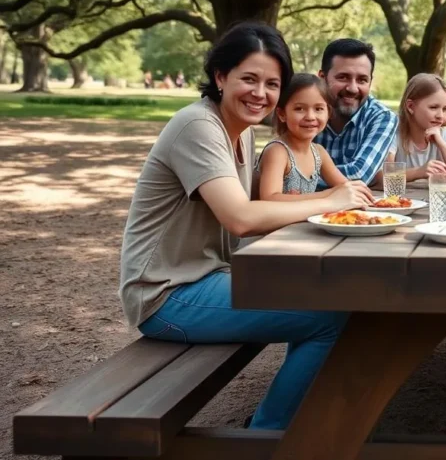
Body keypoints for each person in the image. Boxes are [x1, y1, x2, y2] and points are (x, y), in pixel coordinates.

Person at [119, 22, 374, 431]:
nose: (260, 93)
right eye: (249, 79)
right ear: (221, 77)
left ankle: (286, 419)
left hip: (208, 280)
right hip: (167, 295)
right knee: (330, 316)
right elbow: (241, 217)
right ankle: (267, 435)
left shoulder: (239, 132)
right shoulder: (198, 127)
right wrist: (329, 199)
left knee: (332, 292)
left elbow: (260, 211)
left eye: (272, 83)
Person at [253, 73, 349, 200]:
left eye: (318, 109)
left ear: (328, 113)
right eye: (299, 109)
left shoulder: (319, 153)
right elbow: (270, 198)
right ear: (282, 114)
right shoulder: (278, 151)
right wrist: (329, 195)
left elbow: (345, 186)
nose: (310, 116)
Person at [314, 38, 397, 184]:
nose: (352, 88)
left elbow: (359, 174)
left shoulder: (382, 117)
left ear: (370, 81)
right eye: (343, 77)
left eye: (362, 80)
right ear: (322, 78)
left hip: (358, 206)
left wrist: (298, 178)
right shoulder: (303, 112)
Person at [383, 73, 446, 186]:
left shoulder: (445, 135)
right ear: (410, 107)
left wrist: (441, 143)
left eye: (445, 109)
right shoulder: (394, 134)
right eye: (433, 107)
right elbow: (382, 177)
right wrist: (419, 172)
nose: (440, 115)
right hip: (401, 201)